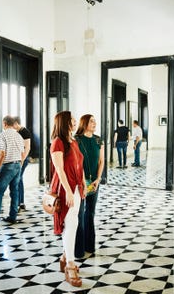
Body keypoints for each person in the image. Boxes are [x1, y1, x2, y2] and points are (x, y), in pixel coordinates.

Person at [50, 111, 84, 287]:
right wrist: (69, 192)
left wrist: (82, 183)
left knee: (73, 222)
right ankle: (69, 264)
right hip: (66, 190)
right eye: (71, 120)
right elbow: (59, 170)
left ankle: (64, 256)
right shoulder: (58, 142)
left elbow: (79, 163)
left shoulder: (73, 141)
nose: (75, 122)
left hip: (77, 188)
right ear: (64, 123)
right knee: (70, 224)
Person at [74, 114, 104, 258]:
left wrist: (98, 179)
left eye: (94, 120)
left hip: (94, 182)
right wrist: (83, 180)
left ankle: (90, 245)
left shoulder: (98, 140)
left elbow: (101, 161)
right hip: (81, 182)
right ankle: (78, 250)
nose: (94, 123)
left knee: (90, 213)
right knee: (79, 214)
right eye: (91, 121)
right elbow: (77, 163)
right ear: (84, 123)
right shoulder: (77, 140)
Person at [13, 116, 31, 211]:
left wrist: (22, 160)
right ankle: (20, 202)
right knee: (19, 179)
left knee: (18, 178)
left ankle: (19, 202)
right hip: (17, 158)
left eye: (13, 125)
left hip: (23, 159)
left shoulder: (25, 132)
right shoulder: (16, 132)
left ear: (16, 123)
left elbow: (27, 148)